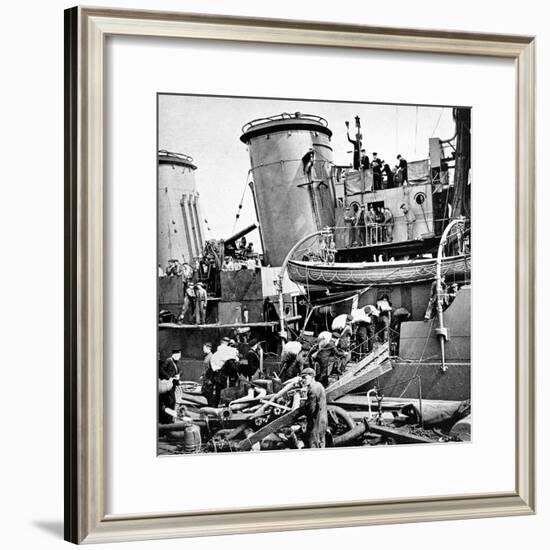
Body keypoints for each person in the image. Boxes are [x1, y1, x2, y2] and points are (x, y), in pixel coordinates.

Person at [301, 367, 328, 448]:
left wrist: (302, 410)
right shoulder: (318, 385)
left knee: (314, 444)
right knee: (321, 443)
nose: (303, 380)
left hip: (316, 422)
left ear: (312, 376)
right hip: (322, 420)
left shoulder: (313, 389)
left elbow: (311, 410)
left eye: (304, 377)